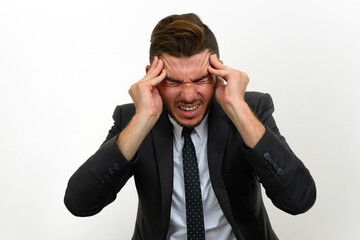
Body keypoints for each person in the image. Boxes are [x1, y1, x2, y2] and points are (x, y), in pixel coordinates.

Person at [64, 13, 316, 240]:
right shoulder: (133, 118)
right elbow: (80, 203)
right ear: (152, 76)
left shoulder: (250, 108)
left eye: (200, 79)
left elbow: (299, 200)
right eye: (172, 82)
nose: (188, 96)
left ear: (218, 73)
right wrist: (143, 119)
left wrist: (238, 110)